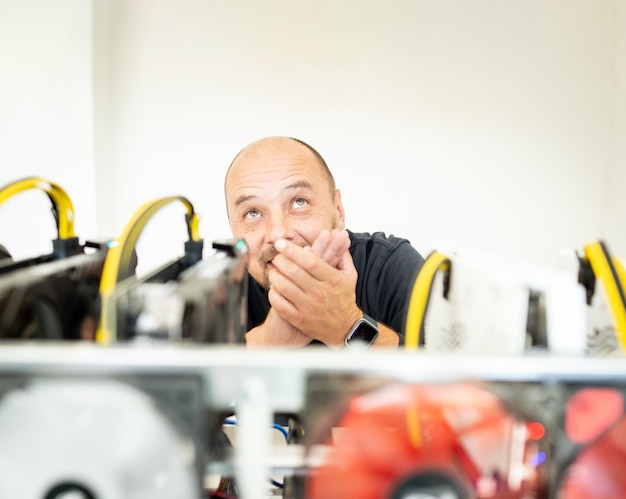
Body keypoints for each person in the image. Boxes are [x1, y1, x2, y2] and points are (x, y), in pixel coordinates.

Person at [224, 136, 425, 348]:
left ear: (338, 211)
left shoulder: (389, 267)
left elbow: (446, 374)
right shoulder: (216, 290)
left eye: (299, 202)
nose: (278, 233)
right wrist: (268, 341)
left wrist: (346, 325)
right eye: (252, 213)